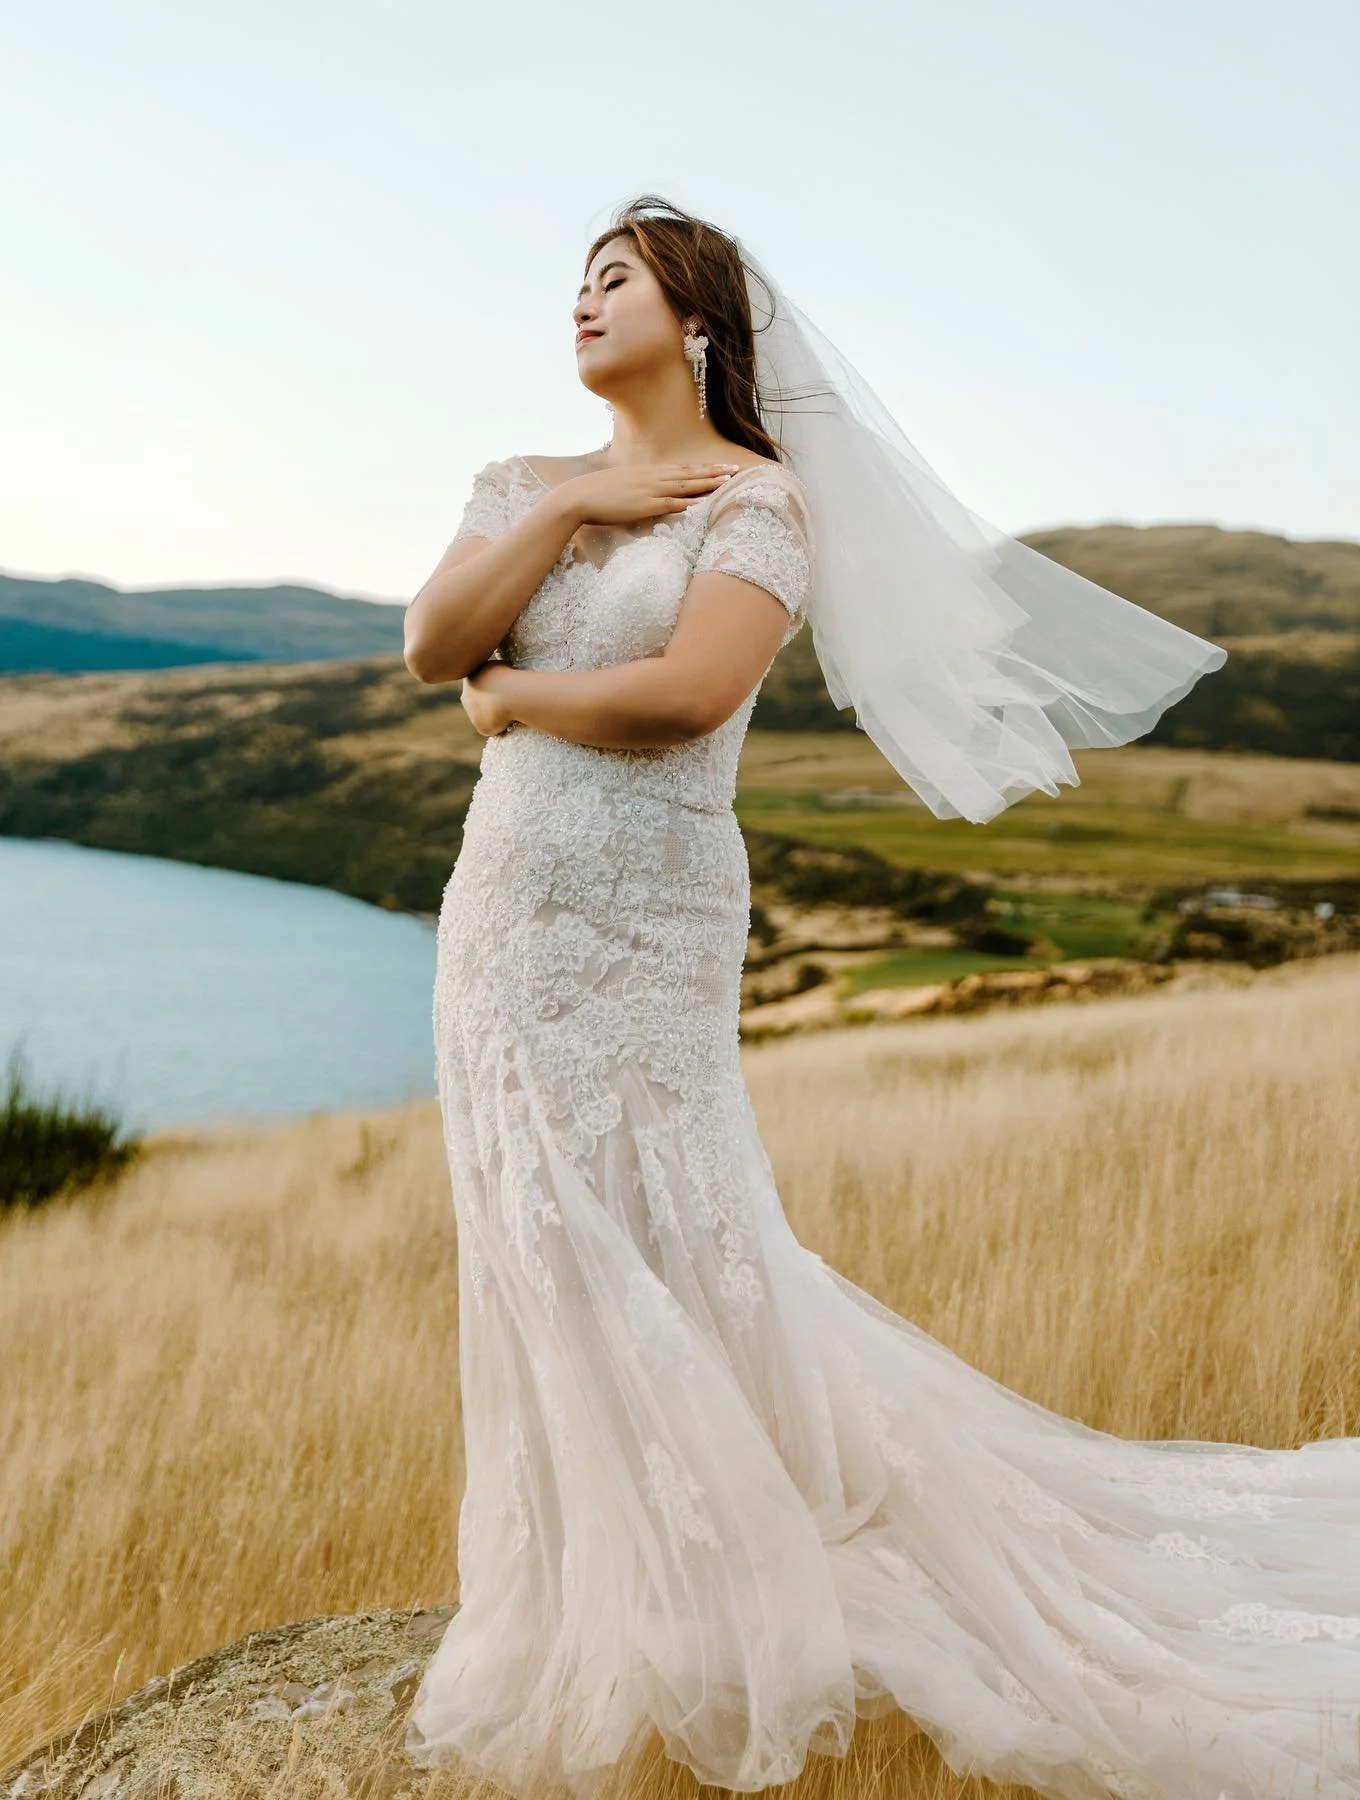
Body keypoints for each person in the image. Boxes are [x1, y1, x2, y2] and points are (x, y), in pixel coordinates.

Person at [398, 195, 1358, 1800]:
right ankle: (608, 1585)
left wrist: (515, 702)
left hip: (646, 910)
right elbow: (433, 640)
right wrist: (576, 521)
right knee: (535, 1226)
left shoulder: (761, 499)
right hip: (504, 915)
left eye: (614, 279)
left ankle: (754, 1563)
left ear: (695, 317)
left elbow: (686, 692)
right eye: (573, 282)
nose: (579, 303)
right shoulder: (521, 484)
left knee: (674, 1219)